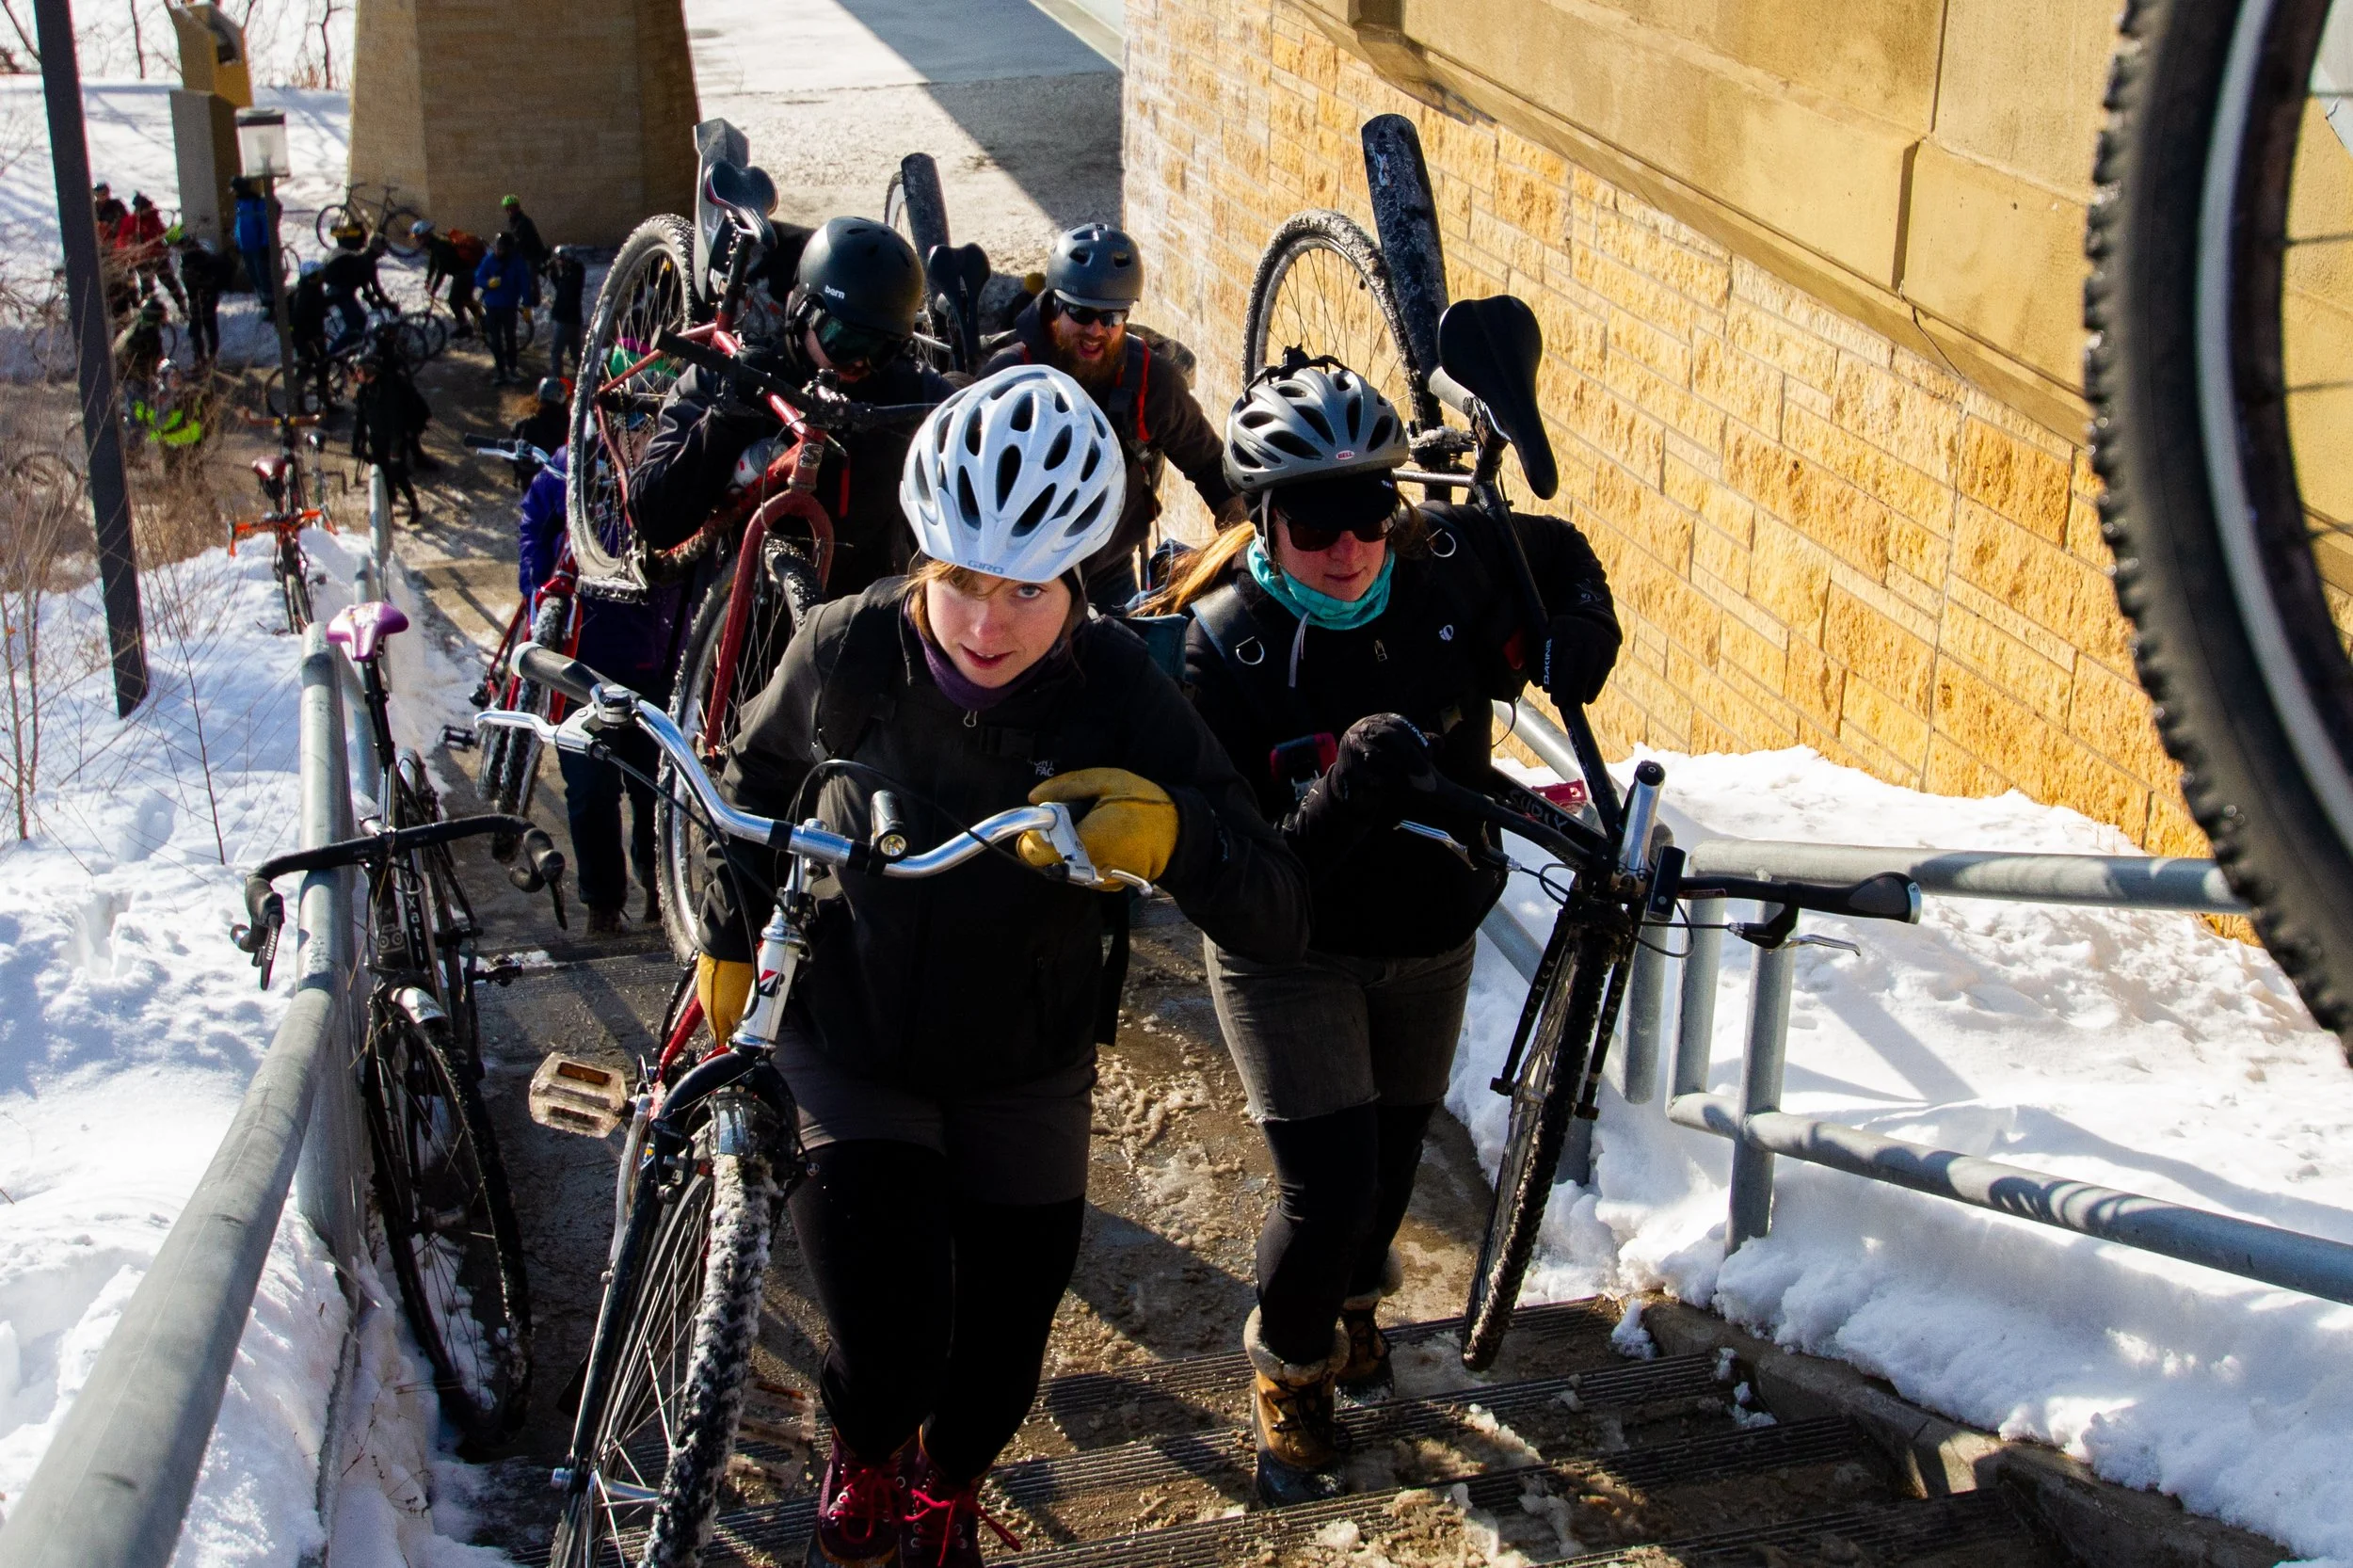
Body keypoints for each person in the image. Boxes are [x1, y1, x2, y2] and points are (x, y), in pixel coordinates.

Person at [691, 363, 1306, 1568]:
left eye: (1026, 588)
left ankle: (947, 1486)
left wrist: (1175, 838)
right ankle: (865, 1451)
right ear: (922, 557)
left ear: (1077, 577)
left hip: (1024, 1058)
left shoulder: (1120, 688)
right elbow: (752, 788)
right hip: (850, 1036)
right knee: (891, 1345)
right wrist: (726, 932)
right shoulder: (847, 648)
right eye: (962, 580)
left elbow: (1277, 905)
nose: (985, 626)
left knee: (997, 1368)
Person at [1146, 356, 1622, 1506]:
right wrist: (1342, 794)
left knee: (1392, 1168)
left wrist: (1580, 625)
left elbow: (1561, 555)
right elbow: (1243, 882)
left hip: (1428, 933)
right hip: (1291, 952)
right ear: (1265, 516)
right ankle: (1289, 1367)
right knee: (1328, 1191)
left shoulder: (1446, 562)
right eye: (1315, 523)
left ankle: (1355, 1308)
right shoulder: (1219, 649)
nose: (1348, 547)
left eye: (1369, 511)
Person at [632, 216, 953, 595]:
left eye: (882, 349)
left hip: (854, 606)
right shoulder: (730, 377)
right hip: (735, 607)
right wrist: (723, 422)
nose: (860, 363)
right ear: (802, 312)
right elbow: (654, 519)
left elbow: (964, 408)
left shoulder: (906, 387)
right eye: (845, 341)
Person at [981, 223, 1242, 610]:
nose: (1095, 331)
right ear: (1052, 306)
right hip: (1016, 571)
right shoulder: (1008, 376)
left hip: (1106, 568)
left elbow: (1209, 466)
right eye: (1080, 312)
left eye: (1112, 317)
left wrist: (1242, 552)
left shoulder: (1149, 381)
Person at [517, 447, 688, 935]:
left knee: (656, 788)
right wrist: (539, 590)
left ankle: (660, 892)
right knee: (591, 791)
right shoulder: (572, 460)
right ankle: (603, 904)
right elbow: (534, 528)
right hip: (579, 663)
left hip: (655, 657)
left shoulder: (673, 452)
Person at [351, 348, 431, 520]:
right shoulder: (364, 391)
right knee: (382, 475)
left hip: (395, 439)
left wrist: (396, 446)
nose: (356, 375)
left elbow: (398, 419)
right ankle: (388, 510)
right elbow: (361, 418)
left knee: (398, 473)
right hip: (377, 438)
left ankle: (414, 506)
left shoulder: (390, 389)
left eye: (359, 371)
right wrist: (356, 442)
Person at [322, 229, 393, 356]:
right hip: (342, 293)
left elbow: (364, 285)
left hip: (341, 290)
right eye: (383, 251)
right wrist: (389, 304)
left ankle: (348, 350)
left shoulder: (362, 257)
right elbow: (376, 288)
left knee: (360, 320)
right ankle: (332, 354)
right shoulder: (369, 264)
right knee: (355, 325)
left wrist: (372, 301)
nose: (383, 254)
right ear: (378, 250)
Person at [415, 219, 487, 339]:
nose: (417, 241)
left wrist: (434, 289)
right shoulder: (436, 243)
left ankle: (465, 327)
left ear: (425, 235)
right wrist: (428, 278)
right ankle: (485, 322)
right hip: (469, 271)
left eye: (418, 238)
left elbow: (442, 270)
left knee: (453, 301)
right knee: (466, 298)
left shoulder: (438, 246)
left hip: (464, 274)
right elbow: (433, 262)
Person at [476, 233, 530, 384]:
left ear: (509, 250)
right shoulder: (489, 260)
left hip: (509, 307)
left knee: (510, 338)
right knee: (495, 340)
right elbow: (478, 277)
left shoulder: (517, 262)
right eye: (497, 248)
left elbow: (524, 284)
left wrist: (527, 305)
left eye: (501, 249)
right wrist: (487, 283)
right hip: (492, 307)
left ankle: (512, 369)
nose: (497, 251)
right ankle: (500, 371)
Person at [289, 261, 337, 414]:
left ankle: (325, 401)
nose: (321, 279)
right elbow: (300, 319)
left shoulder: (313, 289)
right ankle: (297, 403)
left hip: (315, 335)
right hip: (306, 338)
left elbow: (319, 306)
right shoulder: (304, 294)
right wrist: (308, 339)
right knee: (306, 367)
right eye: (318, 276)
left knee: (323, 365)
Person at [171, 226, 225, 362]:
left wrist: (194, 299)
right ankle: (212, 356)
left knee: (195, 330)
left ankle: (200, 359)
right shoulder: (205, 256)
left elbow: (191, 284)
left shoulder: (189, 262)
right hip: (210, 297)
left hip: (198, 299)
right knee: (210, 326)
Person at [509, 378, 568, 489]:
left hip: (531, 482)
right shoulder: (568, 423)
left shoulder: (526, 423)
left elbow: (511, 454)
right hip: (558, 482)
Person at [544, 245, 586, 380]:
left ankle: (557, 381)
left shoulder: (573, 274)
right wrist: (554, 273)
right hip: (573, 319)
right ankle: (583, 379)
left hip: (565, 320)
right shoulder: (572, 272)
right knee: (576, 353)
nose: (558, 262)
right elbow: (560, 286)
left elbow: (566, 290)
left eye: (559, 259)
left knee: (556, 352)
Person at [231, 177, 273, 304]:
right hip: (245, 247)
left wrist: (265, 244)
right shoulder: (239, 203)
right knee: (253, 275)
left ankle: (270, 302)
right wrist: (237, 242)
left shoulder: (257, 203)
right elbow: (238, 225)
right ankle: (262, 298)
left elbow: (265, 225)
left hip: (258, 247)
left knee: (263, 275)